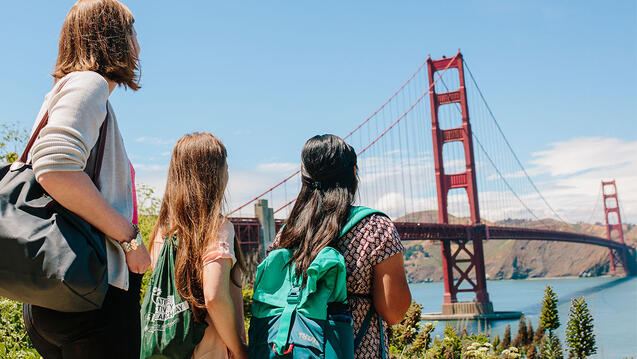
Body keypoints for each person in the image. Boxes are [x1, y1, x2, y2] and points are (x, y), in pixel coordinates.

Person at [21, 1, 151, 358]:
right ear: (113, 37)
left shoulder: (64, 90)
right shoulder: (89, 84)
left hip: (55, 287)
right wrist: (129, 238)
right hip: (92, 290)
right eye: (132, 30)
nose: (139, 41)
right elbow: (55, 166)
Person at [270, 134, 412, 358]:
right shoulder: (375, 228)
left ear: (304, 178)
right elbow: (394, 312)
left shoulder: (287, 234)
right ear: (353, 173)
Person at [148, 133, 248, 359]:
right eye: (226, 166)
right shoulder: (218, 228)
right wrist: (241, 350)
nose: (228, 173)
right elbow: (214, 296)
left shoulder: (161, 233)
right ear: (214, 175)